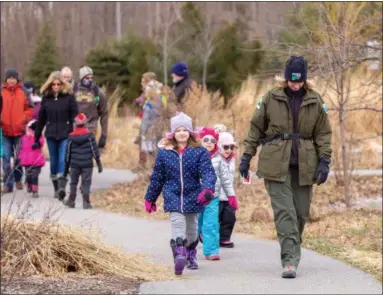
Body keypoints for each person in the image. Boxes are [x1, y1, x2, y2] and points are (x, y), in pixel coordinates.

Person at [239, 56, 332, 279]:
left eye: (299, 81)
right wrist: (246, 156)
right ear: (286, 78)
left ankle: (292, 247)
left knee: (300, 213)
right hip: (275, 164)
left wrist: (324, 161)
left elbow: (323, 134)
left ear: (305, 80)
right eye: (291, 80)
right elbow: (255, 129)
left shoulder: (315, 100)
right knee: (285, 213)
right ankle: (289, 260)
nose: (295, 84)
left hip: (304, 166)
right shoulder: (271, 98)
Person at [144, 112, 217, 276]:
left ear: (190, 133)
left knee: (192, 230)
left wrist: (207, 189)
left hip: (194, 195)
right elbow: (157, 177)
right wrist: (150, 198)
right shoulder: (164, 153)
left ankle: (191, 253)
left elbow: (208, 173)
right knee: (177, 224)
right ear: (172, 134)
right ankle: (179, 255)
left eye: (185, 130)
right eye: (178, 130)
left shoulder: (199, 152)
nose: (182, 133)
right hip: (172, 195)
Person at [33, 71, 78, 200]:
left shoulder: (69, 98)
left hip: (65, 132)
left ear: (63, 84)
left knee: (63, 159)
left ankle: (62, 187)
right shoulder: (46, 99)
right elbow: (41, 119)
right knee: (53, 161)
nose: (56, 86)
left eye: (59, 84)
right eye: (54, 84)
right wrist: (36, 137)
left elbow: (75, 115)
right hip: (51, 133)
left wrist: (75, 131)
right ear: (50, 85)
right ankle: (56, 188)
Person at [199, 127, 237, 260]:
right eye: (206, 140)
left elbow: (225, 179)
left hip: (212, 197)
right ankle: (188, 248)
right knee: (195, 224)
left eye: (212, 140)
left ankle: (211, 251)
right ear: (200, 141)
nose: (209, 142)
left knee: (212, 223)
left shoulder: (218, 159)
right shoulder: (192, 156)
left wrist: (231, 195)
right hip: (196, 198)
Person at [1, 68, 34, 194]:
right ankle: (7, 185)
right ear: (6, 79)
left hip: (19, 131)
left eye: (13, 78)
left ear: (17, 79)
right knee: (5, 158)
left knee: (19, 159)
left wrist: (23, 118)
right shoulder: (2, 91)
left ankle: (18, 179)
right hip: (5, 131)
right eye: (9, 78)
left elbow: (30, 108)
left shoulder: (23, 91)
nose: (11, 80)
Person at [63, 113, 103, 209]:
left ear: (75, 124)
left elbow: (67, 154)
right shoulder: (89, 136)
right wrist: (98, 163)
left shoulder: (71, 137)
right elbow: (95, 151)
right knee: (86, 182)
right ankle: (86, 202)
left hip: (74, 165)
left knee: (73, 182)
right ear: (85, 123)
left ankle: (71, 201)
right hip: (87, 164)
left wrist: (66, 168)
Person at [73, 66, 108, 149]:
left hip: (91, 128)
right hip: (75, 128)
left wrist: (104, 134)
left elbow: (104, 113)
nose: (90, 80)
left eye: (91, 78)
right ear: (81, 78)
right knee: (76, 155)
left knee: (88, 155)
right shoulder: (74, 91)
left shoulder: (98, 92)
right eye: (87, 78)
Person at [136, 80, 165, 170]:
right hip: (157, 129)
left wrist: (144, 132)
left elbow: (147, 119)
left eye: (147, 90)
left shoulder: (152, 103)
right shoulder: (159, 99)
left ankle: (156, 172)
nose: (145, 92)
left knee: (153, 152)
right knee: (154, 152)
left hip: (151, 131)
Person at [217, 130, 238, 248]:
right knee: (215, 218)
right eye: (225, 147)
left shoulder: (232, 159)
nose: (229, 150)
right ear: (219, 146)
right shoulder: (214, 158)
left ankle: (224, 238)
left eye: (231, 147)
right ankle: (209, 236)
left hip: (228, 194)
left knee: (230, 217)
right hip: (216, 194)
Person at [18, 120, 45, 198]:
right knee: (28, 176)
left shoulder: (39, 136)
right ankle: (29, 185)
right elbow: (20, 148)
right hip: (27, 161)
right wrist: (19, 156)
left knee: (34, 176)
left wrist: (38, 144)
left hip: (37, 161)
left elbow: (42, 142)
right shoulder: (24, 137)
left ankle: (35, 191)